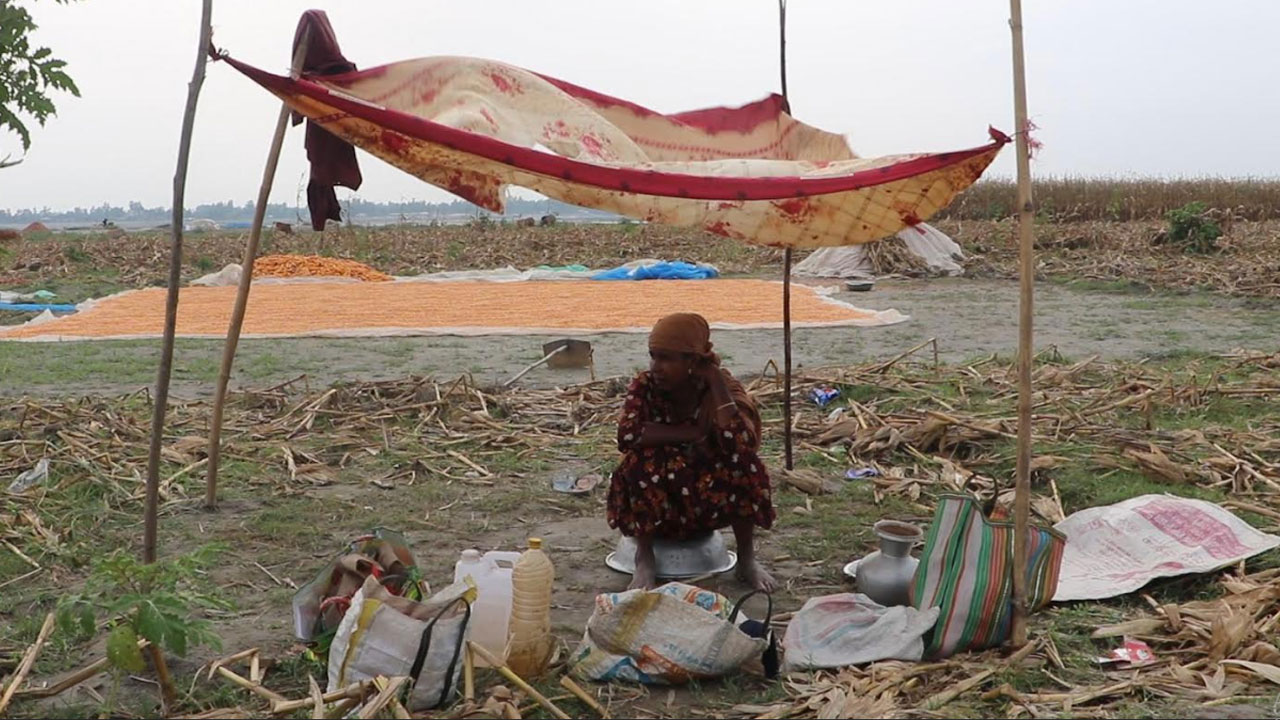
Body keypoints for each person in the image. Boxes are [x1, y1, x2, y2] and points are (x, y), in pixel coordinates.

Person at [607, 313, 776, 591]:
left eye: (667, 358)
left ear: (693, 361)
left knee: (744, 465)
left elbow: (742, 443)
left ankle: (746, 560)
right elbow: (628, 436)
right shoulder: (646, 386)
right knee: (640, 462)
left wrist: (715, 380)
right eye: (653, 356)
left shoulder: (721, 388)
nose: (656, 367)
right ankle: (644, 557)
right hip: (660, 502)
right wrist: (693, 433)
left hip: (706, 499)